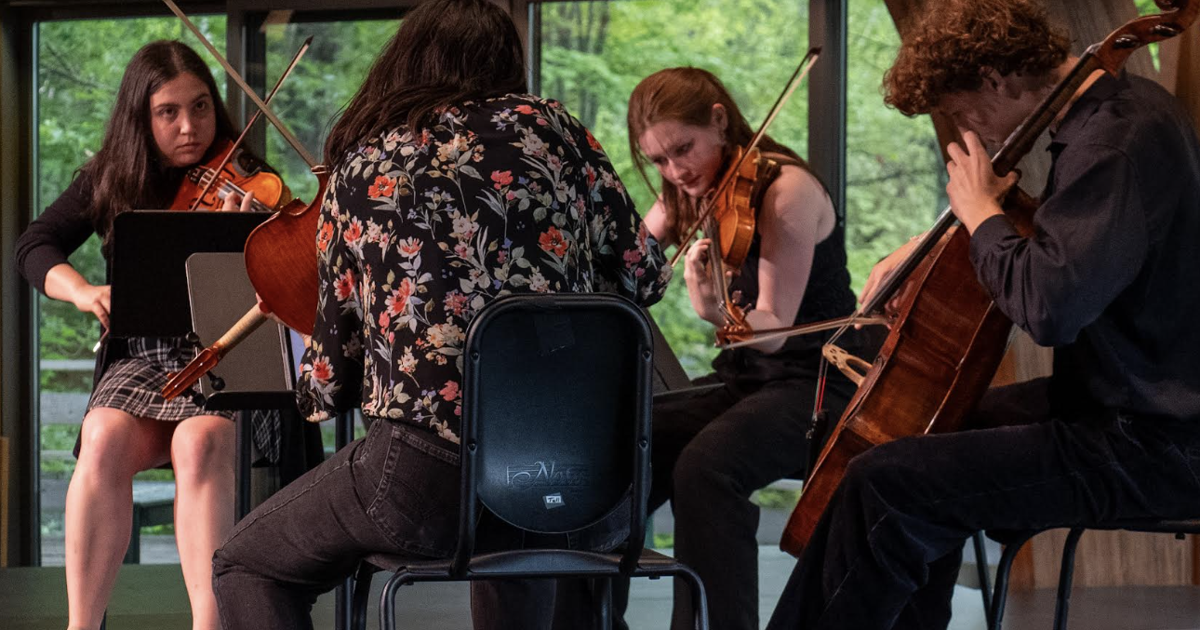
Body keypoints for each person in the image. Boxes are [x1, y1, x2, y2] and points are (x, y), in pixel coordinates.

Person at [208, 1, 671, 629]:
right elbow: (647, 275)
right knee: (521, 537)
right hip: (577, 474)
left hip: (426, 483)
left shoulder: (361, 167)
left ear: (406, 62)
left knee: (247, 562)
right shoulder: (556, 131)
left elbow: (324, 388)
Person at [766, 1, 1200, 628]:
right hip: (1118, 405)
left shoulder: (1114, 145)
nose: (974, 132)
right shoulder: (1120, 116)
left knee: (885, 482)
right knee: (926, 438)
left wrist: (981, 215)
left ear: (997, 77)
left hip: (1157, 440)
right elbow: (1060, 258)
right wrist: (949, 236)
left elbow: (1050, 308)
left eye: (965, 111)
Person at [14, 40, 276, 630]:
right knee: (101, 435)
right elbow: (34, 245)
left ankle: (209, 624)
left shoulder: (250, 180)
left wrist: (255, 242)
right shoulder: (111, 178)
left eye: (202, 107)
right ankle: (82, 624)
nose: (190, 127)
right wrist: (83, 291)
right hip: (144, 360)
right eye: (169, 112)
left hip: (228, 355)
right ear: (142, 116)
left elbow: (292, 284)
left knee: (199, 442)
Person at [620, 66, 878, 630]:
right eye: (659, 160)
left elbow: (777, 328)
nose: (675, 170)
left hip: (820, 381)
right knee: (626, 440)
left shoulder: (787, 191)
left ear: (719, 120)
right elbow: (629, 263)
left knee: (707, 468)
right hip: (750, 380)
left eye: (683, 149)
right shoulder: (691, 187)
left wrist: (713, 310)